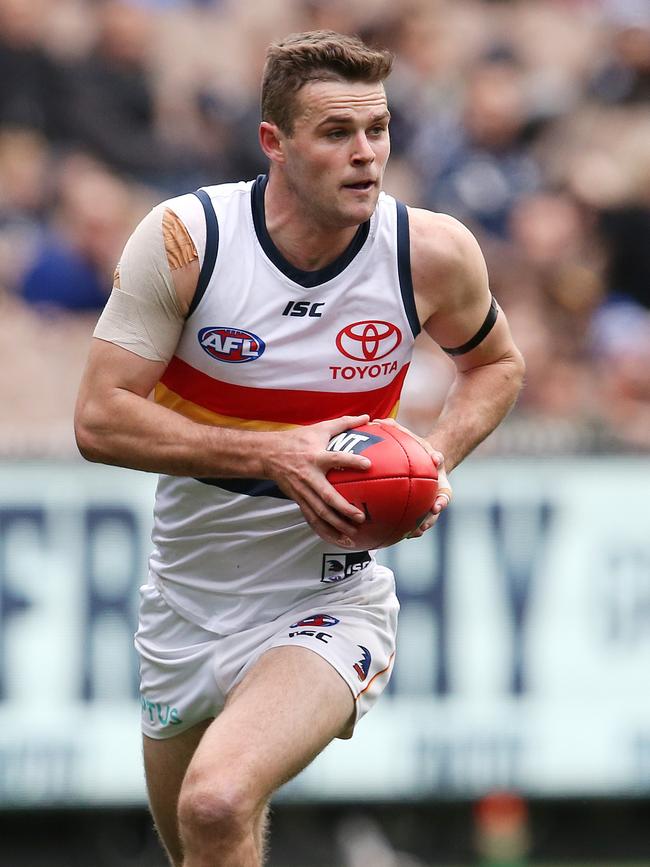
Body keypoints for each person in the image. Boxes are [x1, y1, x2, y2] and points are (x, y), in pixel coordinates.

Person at [74, 30, 525, 867]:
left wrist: (432, 458)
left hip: (328, 595)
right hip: (185, 598)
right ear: (272, 143)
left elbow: (496, 364)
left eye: (378, 130)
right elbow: (99, 419)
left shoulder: (428, 251)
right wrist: (272, 453)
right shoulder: (189, 240)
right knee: (199, 844)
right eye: (335, 133)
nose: (366, 155)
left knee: (216, 801)